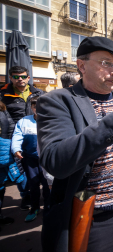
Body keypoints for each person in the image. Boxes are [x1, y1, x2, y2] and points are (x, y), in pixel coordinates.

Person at [37, 36, 113, 252]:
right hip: (91, 216)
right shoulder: (57, 100)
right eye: (106, 63)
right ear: (81, 65)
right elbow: (56, 160)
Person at [0, 66, 43, 211]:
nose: (20, 79)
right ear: (10, 77)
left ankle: (41, 197)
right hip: (14, 136)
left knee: (38, 172)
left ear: (28, 78)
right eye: (16, 76)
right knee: (19, 170)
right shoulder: (3, 94)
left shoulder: (38, 93)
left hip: (34, 134)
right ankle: (26, 197)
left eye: (23, 76)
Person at [11, 96, 50, 222]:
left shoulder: (51, 120)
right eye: (35, 106)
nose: (37, 109)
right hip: (30, 160)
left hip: (46, 160)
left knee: (47, 184)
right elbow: (17, 135)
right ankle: (34, 208)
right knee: (33, 185)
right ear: (32, 108)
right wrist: (16, 148)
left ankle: (49, 208)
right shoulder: (24, 121)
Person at [0, 101, 16, 229]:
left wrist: (10, 145)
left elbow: (11, 126)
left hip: (3, 151)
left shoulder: (2, 108)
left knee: (1, 186)